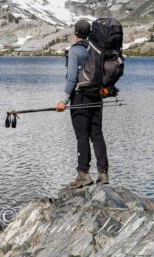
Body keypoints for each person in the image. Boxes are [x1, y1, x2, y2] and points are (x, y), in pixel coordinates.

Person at [56, 18, 109, 188]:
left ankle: (83, 174)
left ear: (75, 32)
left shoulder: (75, 51)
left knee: (82, 135)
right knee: (97, 133)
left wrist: (64, 100)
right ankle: (103, 174)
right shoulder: (97, 49)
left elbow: (72, 78)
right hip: (97, 96)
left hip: (80, 97)